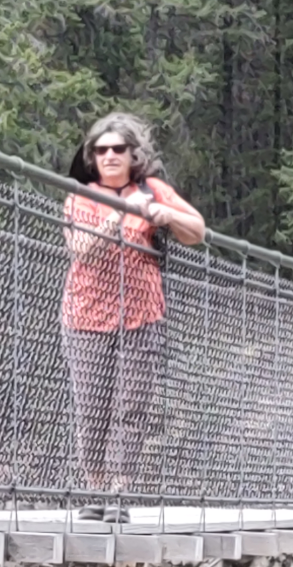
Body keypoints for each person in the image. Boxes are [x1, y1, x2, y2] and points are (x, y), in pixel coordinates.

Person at [62, 113, 205, 522]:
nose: (109, 156)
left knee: (132, 407)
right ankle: (94, 489)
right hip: (86, 315)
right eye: (101, 150)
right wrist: (122, 212)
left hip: (141, 314)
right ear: (92, 157)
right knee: (92, 407)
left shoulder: (152, 189)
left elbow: (197, 230)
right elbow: (83, 249)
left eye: (118, 149)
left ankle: (119, 493)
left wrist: (165, 214)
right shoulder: (80, 195)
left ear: (132, 154)